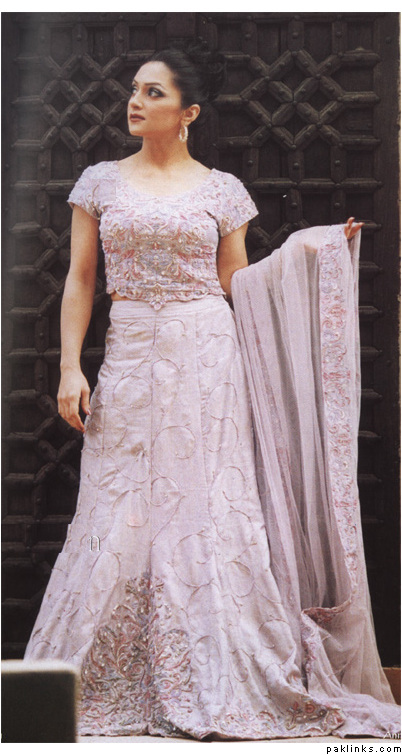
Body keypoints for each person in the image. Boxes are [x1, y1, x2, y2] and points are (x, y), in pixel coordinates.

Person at [23, 43, 400, 740]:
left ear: (188, 112)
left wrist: (307, 253)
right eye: (135, 89)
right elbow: (81, 279)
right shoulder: (99, 182)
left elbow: (235, 282)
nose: (136, 101)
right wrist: (70, 367)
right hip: (132, 350)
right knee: (116, 506)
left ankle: (216, 670)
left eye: (154, 93)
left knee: (205, 508)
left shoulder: (222, 190)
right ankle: (110, 673)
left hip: (206, 355)